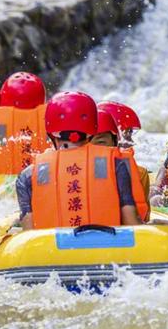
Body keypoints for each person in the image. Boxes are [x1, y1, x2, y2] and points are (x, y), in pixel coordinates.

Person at [16, 91, 153, 230]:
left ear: (50, 133)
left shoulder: (27, 175)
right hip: (107, 247)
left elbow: (29, 233)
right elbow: (133, 226)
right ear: (92, 130)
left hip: (54, 249)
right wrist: (153, 227)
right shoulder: (117, 164)